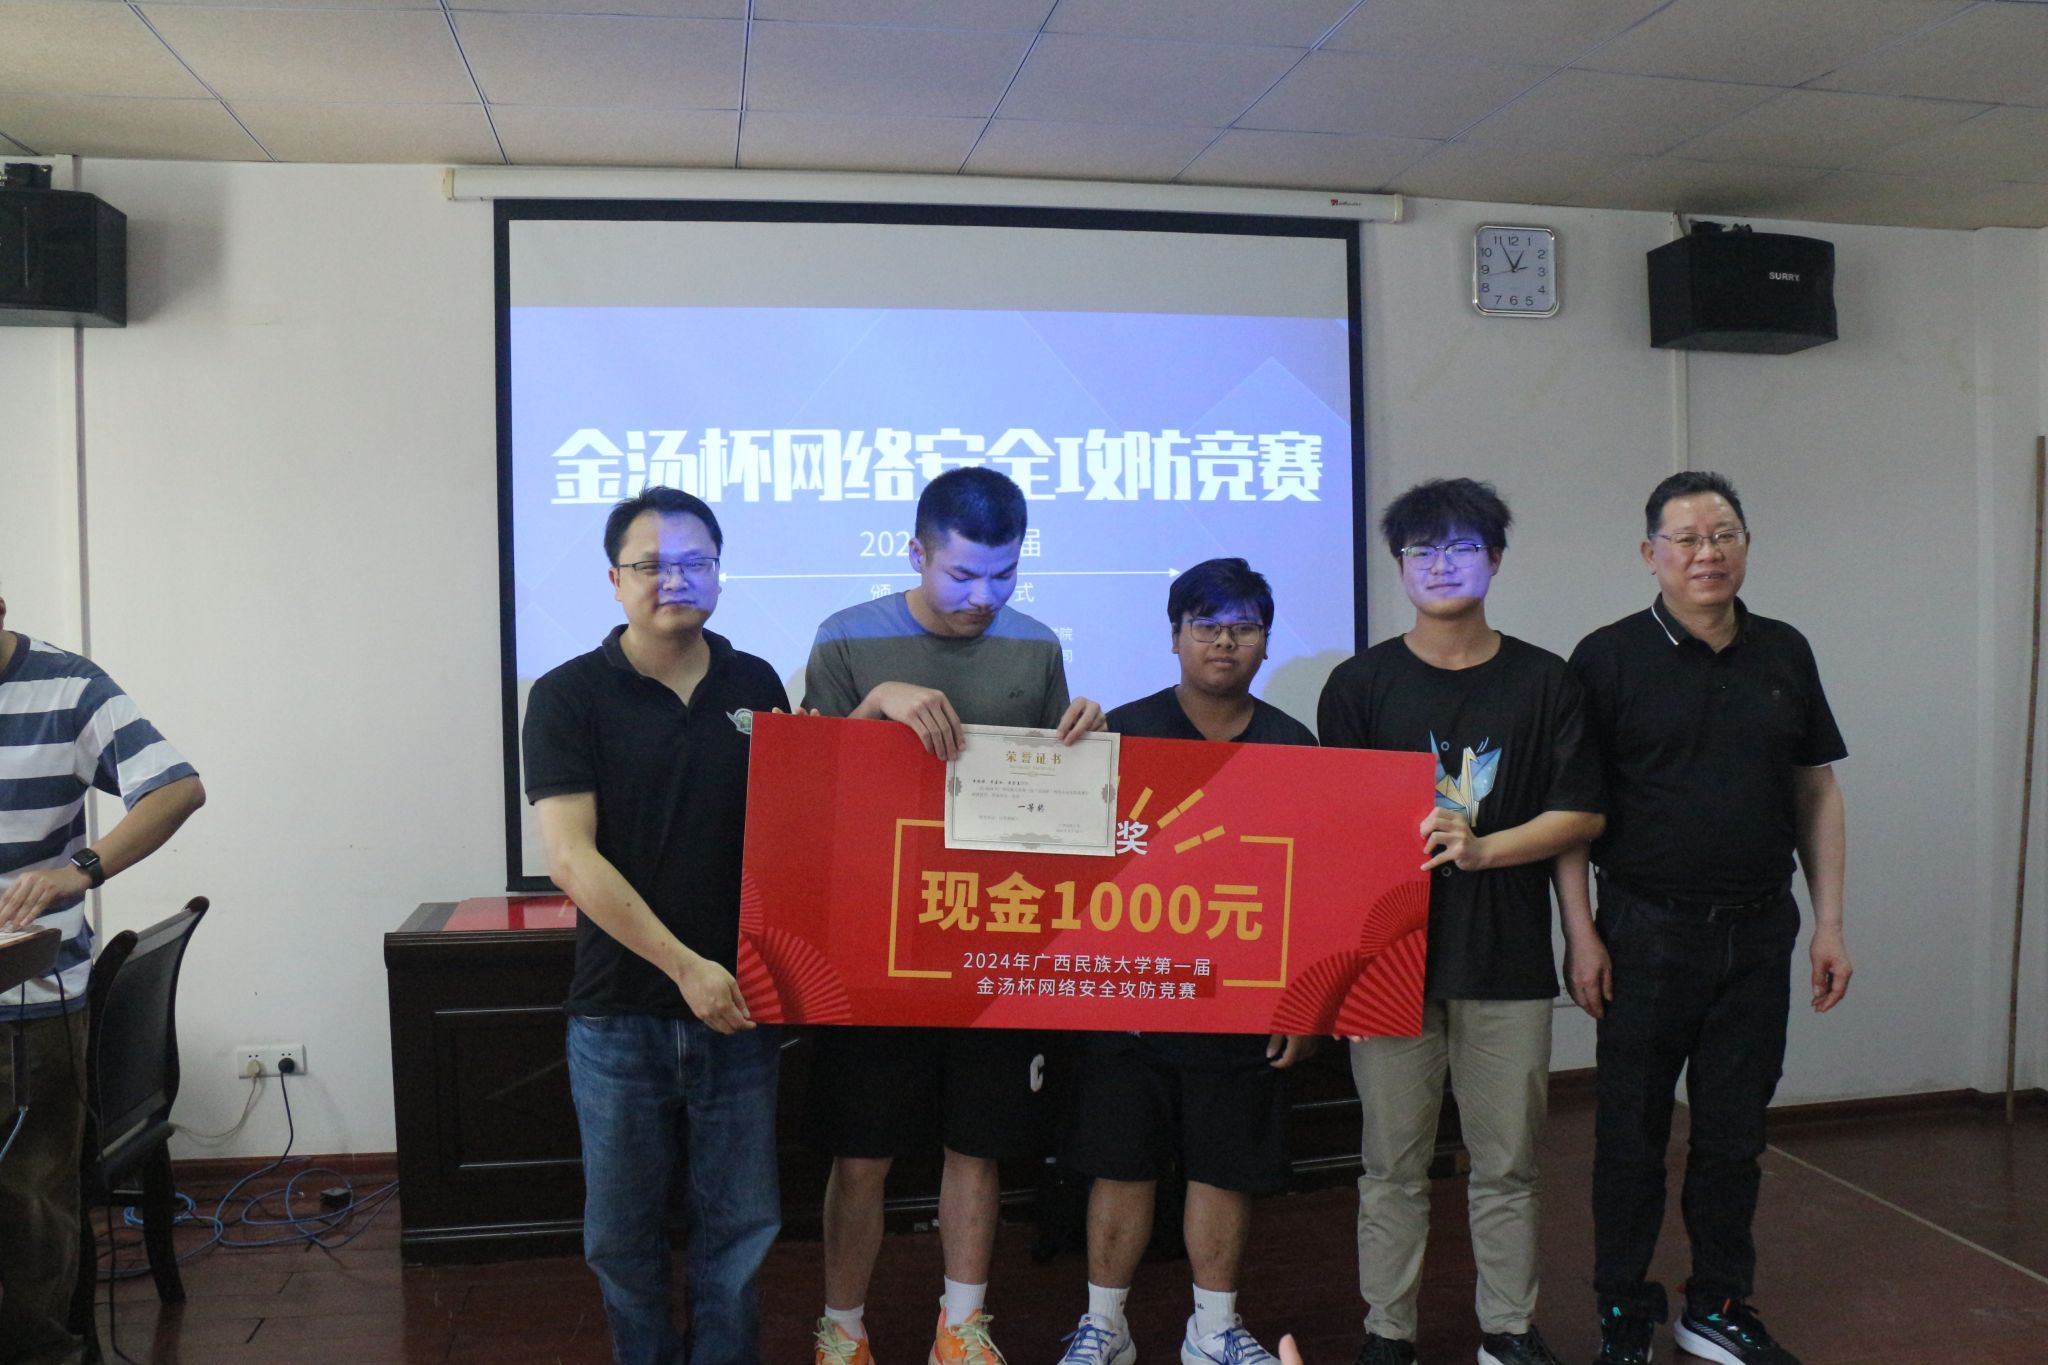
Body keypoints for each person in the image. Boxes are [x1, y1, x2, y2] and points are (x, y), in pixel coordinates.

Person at [804, 466, 1104, 1365]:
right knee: (862, 1152)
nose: (984, 597)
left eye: (1003, 574)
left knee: (978, 1143)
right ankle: (843, 1329)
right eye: (963, 574)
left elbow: (1052, 808)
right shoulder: (848, 637)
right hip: (873, 940)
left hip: (992, 937)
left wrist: (1086, 743)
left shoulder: (1036, 646)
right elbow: (809, 796)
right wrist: (876, 704)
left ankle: (961, 1326)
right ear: (916, 553)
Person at [1564, 471, 1850, 1365]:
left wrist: (1830, 922)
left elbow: (1815, 789)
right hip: (1644, 931)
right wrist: (1580, 933)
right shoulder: (1606, 658)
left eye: (1722, 534)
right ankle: (1623, 1307)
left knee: (1734, 1135)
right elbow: (1572, 813)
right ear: (1649, 554)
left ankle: (1718, 1301)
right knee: (1630, 1136)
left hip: (1762, 930)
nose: (1706, 553)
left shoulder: (1784, 650)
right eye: (1685, 538)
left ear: (1746, 545)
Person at [1317, 479, 1603, 1365]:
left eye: (1462, 547)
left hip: (1506, 958)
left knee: (1508, 1163)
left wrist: (1490, 855)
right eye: (1422, 550)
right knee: (1390, 1166)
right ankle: (1387, 1333)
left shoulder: (1546, 680)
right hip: (1388, 963)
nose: (1441, 565)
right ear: (1399, 566)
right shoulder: (1359, 684)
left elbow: (1580, 814)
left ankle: (1508, 1330)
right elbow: (1334, 832)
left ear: (1496, 559)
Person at [523, 487, 790, 1365]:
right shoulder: (567, 695)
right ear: (614, 579)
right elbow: (571, 858)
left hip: (740, 1005)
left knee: (741, 1228)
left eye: (694, 562)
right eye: (651, 564)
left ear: (719, 571)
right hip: (621, 1013)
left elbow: (793, 827)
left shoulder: (756, 683)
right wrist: (685, 966)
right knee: (622, 1236)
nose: (674, 579)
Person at [1053, 557, 1318, 1365]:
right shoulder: (1119, 733)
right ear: (1175, 636)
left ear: (1266, 640)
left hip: (1241, 1002)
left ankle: (1213, 1329)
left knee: (1222, 1164)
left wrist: (1304, 1001)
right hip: (1131, 996)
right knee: (1120, 1162)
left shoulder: (1295, 744)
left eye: (1243, 626)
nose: (1224, 641)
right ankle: (1105, 1326)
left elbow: (1314, 888)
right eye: (1206, 625)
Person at [0, 592, 206, 1365]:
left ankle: (43, 1350)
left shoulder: (69, 686)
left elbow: (176, 787)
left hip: (29, 1000)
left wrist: (81, 869)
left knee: (29, 1200)